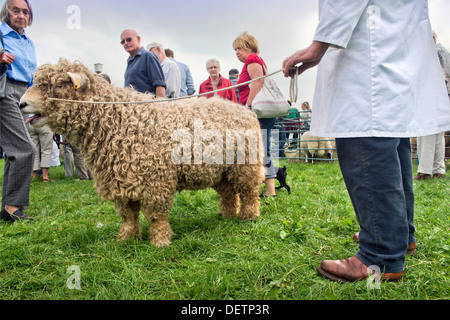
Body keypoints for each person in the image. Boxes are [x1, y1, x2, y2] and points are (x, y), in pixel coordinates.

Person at [283, 1, 450, 282]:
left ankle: (380, 255)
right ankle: (397, 234)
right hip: (391, 40)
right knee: (389, 136)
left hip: (367, 49)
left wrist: (318, 46)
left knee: (366, 137)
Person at [0, 0, 37, 221]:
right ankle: (13, 208)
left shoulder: (28, 42)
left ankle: (8, 206)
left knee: (15, 151)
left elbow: (31, 72)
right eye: (16, 11)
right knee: (25, 149)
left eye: (25, 12)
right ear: (7, 13)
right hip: (5, 90)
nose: (21, 15)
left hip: (24, 93)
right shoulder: (1, 34)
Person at [233, 32, 276, 197]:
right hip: (259, 113)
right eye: (235, 49)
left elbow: (258, 82)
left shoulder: (252, 60)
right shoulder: (254, 61)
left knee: (260, 150)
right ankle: (266, 189)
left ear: (249, 47)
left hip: (258, 113)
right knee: (260, 149)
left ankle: (269, 191)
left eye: (240, 48)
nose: (237, 52)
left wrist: (248, 106)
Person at [414, 32, 449, 180]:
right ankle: (438, 169)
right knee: (438, 133)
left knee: (425, 131)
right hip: (443, 97)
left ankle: (424, 171)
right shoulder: (443, 55)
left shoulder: (428, 56)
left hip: (429, 96)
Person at [121, 29, 165, 97]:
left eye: (129, 39)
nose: (126, 43)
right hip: (131, 106)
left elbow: (160, 85)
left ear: (138, 39)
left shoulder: (148, 56)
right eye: (123, 41)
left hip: (147, 105)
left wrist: (160, 105)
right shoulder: (129, 61)